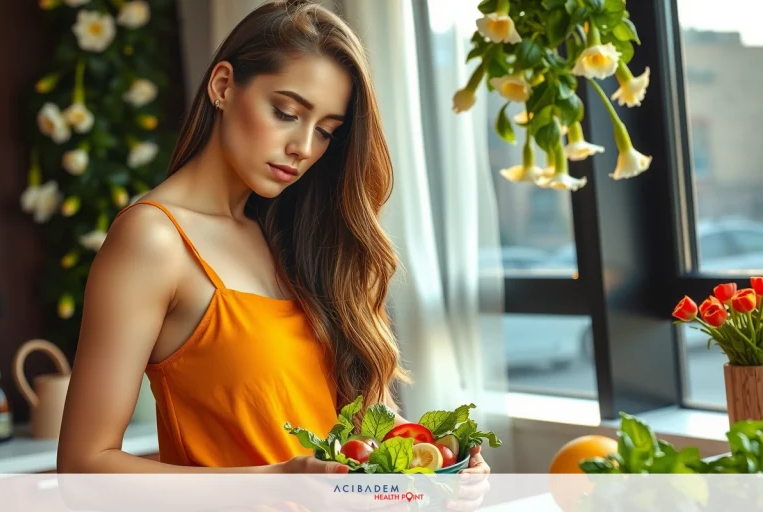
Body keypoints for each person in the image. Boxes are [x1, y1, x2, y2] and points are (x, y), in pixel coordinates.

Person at [57, 0, 491, 488]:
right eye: (286, 112)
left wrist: (436, 466)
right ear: (223, 86)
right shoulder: (154, 240)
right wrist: (278, 480)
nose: (304, 147)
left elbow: (366, 443)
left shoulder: (301, 237)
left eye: (326, 131)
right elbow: (83, 466)